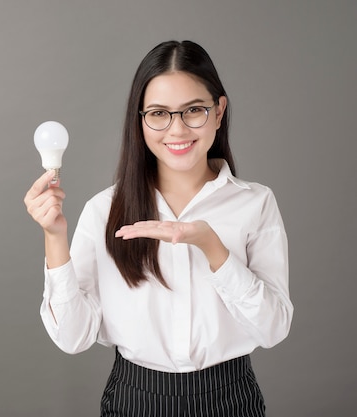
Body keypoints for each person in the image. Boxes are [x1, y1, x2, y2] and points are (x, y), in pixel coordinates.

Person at [24, 40, 294, 416]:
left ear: (219, 112)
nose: (177, 129)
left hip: (230, 398)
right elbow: (72, 338)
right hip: (136, 397)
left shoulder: (255, 203)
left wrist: (212, 247)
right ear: (141, 120)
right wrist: (54, 237)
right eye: (158, 113)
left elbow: (273, 328)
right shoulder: (105, 210)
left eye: (194, 110)